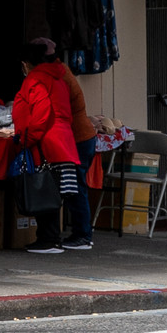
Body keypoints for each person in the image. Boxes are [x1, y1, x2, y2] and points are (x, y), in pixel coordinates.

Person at [19, 34, 98, 252]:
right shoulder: (58, 72)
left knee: (68, 188)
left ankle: (80, 236)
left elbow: (47, 113)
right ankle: (78, 235)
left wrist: (28, 135)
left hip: (74, 139)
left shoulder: (53, 76)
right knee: (69, 187)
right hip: (73, 138)